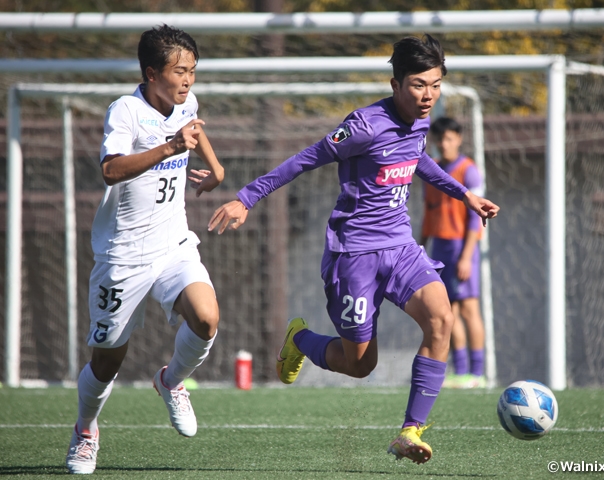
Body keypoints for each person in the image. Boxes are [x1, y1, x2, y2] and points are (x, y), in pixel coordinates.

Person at [208, 34, 499, 465]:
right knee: (360, 364)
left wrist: (464, 195)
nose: (428, 96)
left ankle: (409, 431)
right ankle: (301, 339)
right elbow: (306, 158)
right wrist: (247, 197)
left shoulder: (422, 121)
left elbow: (418, 157)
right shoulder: (363, 126)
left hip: (400, 246)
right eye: (419, 85)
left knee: (442, 318)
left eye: (436, 85)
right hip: (354, 255)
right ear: (396, 83)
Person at [66, 25, 224, 475]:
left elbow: (192, 126)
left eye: (193, 71)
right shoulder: (126, 112)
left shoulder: (184, 101)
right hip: (123, 254)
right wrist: (171, 146)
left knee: (207, 317)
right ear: (152, 73)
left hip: (173, 243)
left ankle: (170, 381)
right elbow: (112, 170)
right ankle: (85, 430)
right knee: (106, 360)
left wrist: (214, 167)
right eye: (180, 71)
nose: (188, 81)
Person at [421, 117, 487, 389]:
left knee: (470, 309)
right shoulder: (432, 170)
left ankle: (479, 373)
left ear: (458, 139)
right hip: (439, 247)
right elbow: (428, 212)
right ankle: (461, 372)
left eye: (449, 139)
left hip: (462, 248)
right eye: (440, 140)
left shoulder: (469, 171)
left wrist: (466, 256)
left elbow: (475, 219)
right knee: (449, 310)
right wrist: (420, 245)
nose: (444, 144)